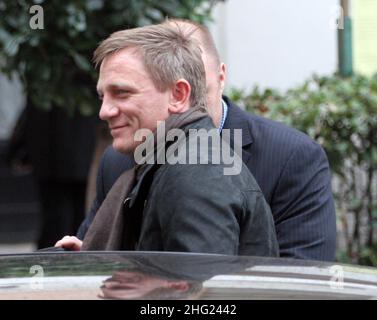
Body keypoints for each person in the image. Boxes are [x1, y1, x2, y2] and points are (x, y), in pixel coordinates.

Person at [72, 19, 336, 261]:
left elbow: (203, 291)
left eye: (122, 93)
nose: (105, 111)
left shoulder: (288, 157)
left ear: (181, 93)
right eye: (102, 96)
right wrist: (74, 259)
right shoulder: (122, 157)